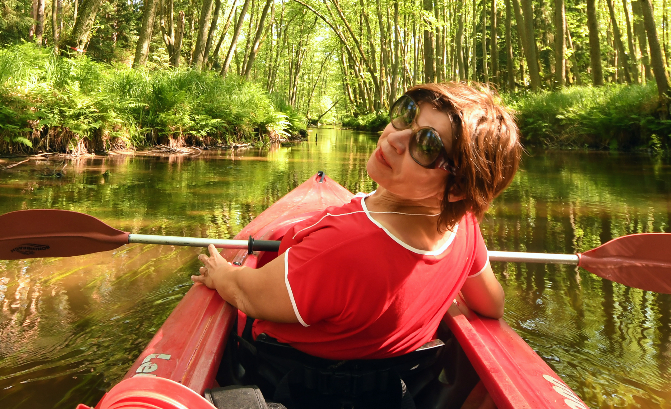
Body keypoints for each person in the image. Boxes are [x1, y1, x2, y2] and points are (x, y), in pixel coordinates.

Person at [192, 83, 521, 406]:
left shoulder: (340, 247)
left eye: (427, 146)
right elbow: (492, 304)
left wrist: (220, 273)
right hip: (396, 388)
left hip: (288, 383)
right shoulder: (463, 226)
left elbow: (248, 295)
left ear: (457, 190)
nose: (394, 138)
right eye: (407, 114)